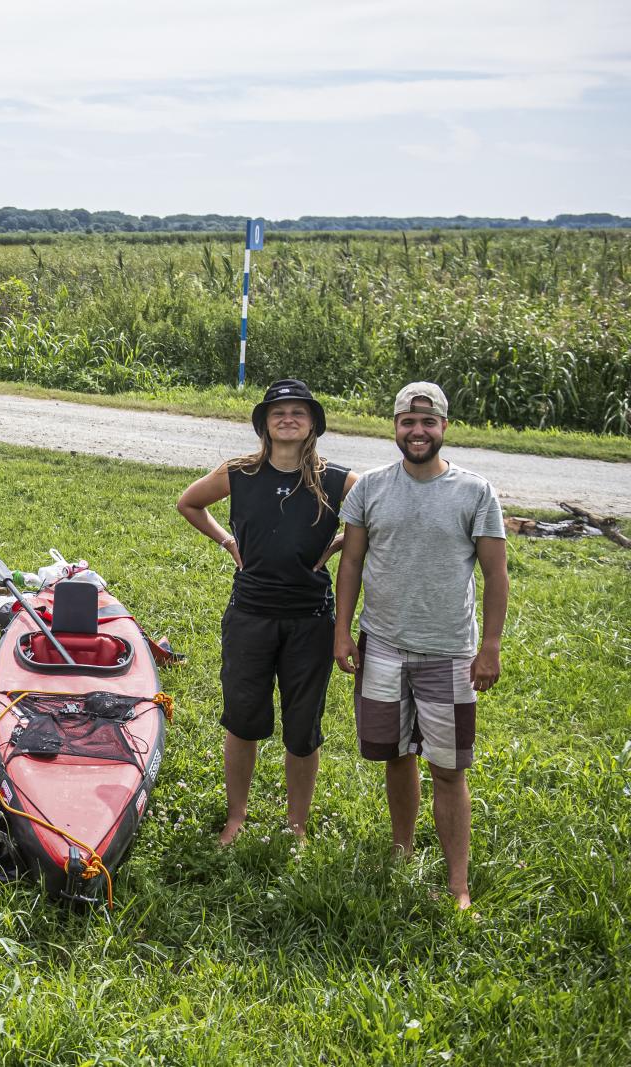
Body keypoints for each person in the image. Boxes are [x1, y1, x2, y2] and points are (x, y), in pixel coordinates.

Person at [334, 382, 508, 909]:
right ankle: (402, 851)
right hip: (382, 646)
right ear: (394, 427)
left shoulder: (475, 492)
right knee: (395, 756)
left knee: (449, 771)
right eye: (408, 422)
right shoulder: (371, 489)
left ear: (444, 428)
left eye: (427, 423)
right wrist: (342, 631)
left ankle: (458, 884)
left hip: (449, 653)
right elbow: (352, 563)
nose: (417, 432)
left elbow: (496, 574)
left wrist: (491, 646)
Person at [178, 379, 357, 844]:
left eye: (299, 411)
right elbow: (189, 502)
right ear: (265, 423)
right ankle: (236, 817)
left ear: (313, 422)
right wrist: (227, 540)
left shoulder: (338, 481)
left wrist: (339, 543)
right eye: (279, 411)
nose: (288, 418)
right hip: (250, 617)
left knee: (303, 729)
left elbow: (381, 520)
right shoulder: (240, 473)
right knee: (242, 720)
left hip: (310, 620)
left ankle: (296, 825)